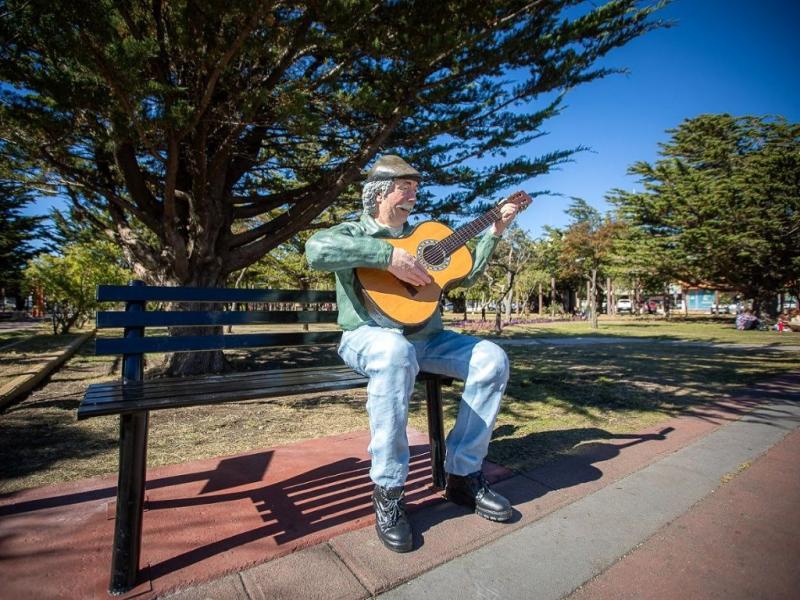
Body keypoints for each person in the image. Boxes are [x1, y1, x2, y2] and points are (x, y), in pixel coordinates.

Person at [306, 155, 526, 553]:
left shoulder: (427, 236)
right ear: (377, 192)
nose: (413, 195)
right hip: (369, 336)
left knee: (492, 358)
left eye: (415, 189)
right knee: (394, 351)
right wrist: (388, 257)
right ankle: (389, 491)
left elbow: (466, 271)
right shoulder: (353, 231)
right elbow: (315, 250)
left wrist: (494, 231)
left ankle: (463, 475)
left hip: (427, 340)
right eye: (404, 187)